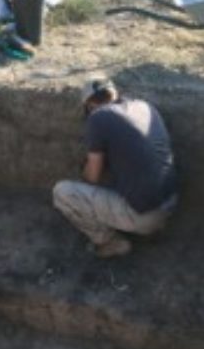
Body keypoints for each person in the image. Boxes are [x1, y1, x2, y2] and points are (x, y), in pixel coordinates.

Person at [53, 78, 178, 257]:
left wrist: (82, 177)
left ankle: (111, 242)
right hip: (171, 202)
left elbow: (92, 177)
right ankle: (150, 229)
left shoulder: (98, 117)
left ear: (89, 105)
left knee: (63, 192)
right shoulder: (144, 106)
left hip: (145, 217)